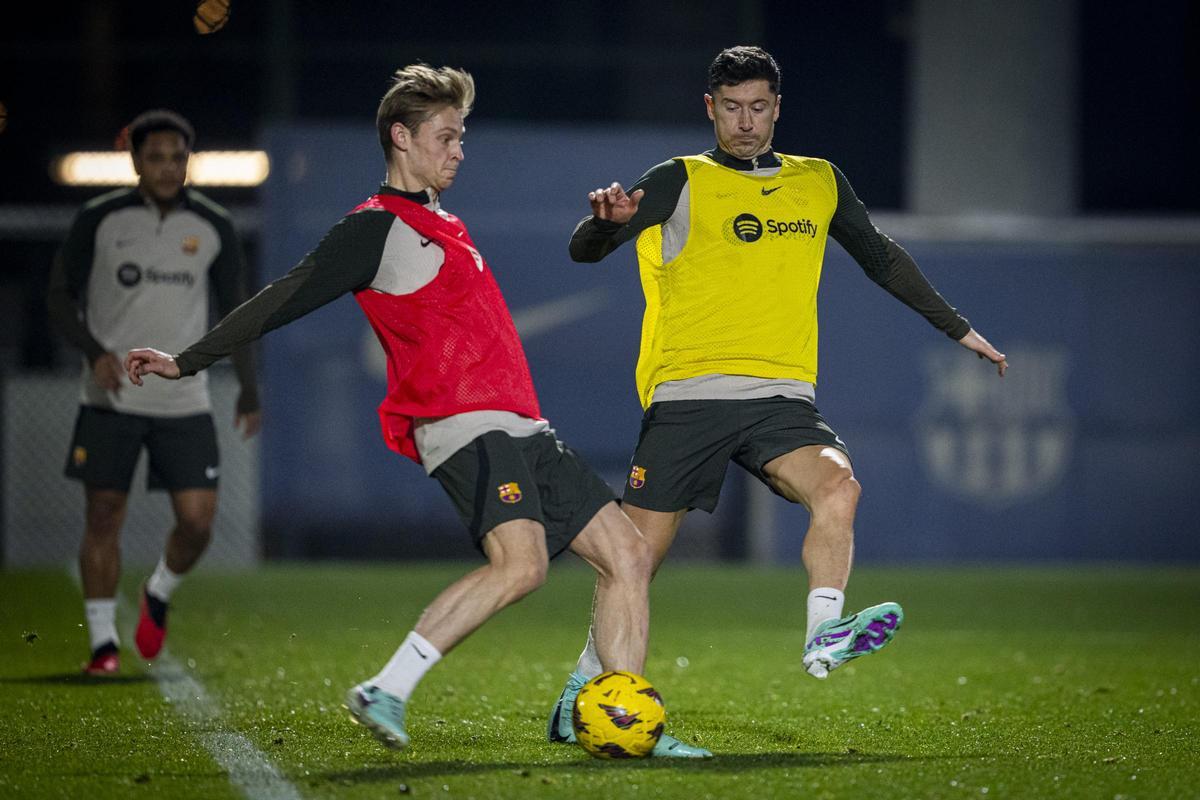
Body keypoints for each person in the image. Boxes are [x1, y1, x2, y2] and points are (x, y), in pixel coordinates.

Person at [125, 64, 703, 757]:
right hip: (464, 424)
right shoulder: (372, 229)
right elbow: (285, 295)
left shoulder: (444, 222)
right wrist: (186, 359)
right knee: (521, 567)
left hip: (523, 424)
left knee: (629, 555)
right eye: (446, 136)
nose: (459, 150)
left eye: (461, 137)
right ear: (401, 137)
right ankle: (386, 687)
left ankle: (613, 712)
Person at [546, 45, 1009, 741]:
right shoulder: (679, 179)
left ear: (777, 108)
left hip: (781, 399)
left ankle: (824, 631)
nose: (745, 122)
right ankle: (588, 694)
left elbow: (880, 256)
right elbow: (589, 248)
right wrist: (605, 223)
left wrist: (958, 328)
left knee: (839, 488)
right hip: (688, 396)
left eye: (758, 107)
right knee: (633, 561)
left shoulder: (818, 181)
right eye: (731, 108)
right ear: (710, 108)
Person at [47, 109, 261, 676]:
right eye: (156, 156)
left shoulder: (214, 225)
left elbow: (237, 313)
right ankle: (102, 646)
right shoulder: (99, 217)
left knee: (197, 523)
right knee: (103, 515)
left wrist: (247, 388)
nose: (167, 167)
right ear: (136, 160)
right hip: (111, 399)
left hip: (183, 401)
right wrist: (95, 353)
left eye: (177, 156)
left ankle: (159, 591)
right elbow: (58, 298)